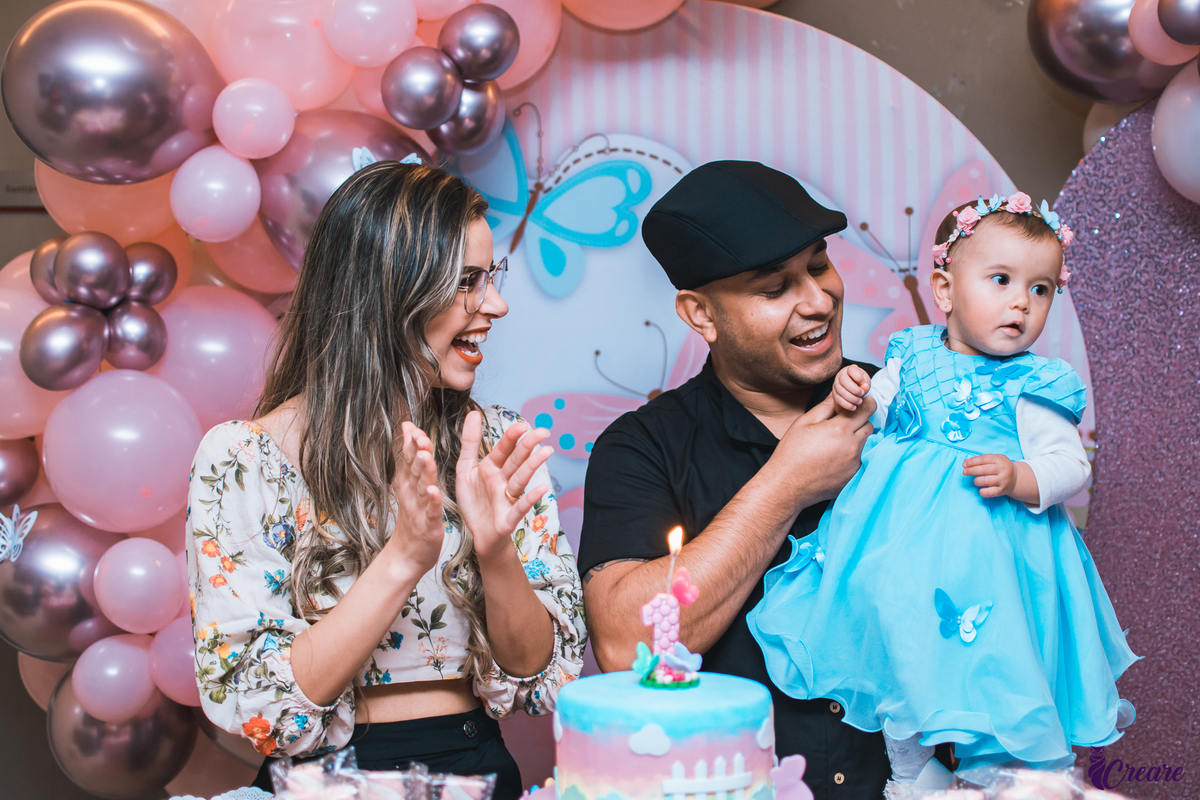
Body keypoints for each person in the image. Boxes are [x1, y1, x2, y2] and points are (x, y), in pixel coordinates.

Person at [186, 162, 587, 798]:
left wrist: (495, 549)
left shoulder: (493, 445)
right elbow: (262, 710)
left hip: (479, 766)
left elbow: (545, 679)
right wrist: (403, 557)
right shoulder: (247, 457)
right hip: (327, 781)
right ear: (388, 290)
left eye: (492, 279)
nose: (497, 305)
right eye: (467, 282)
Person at [749, 193, 1139, 798]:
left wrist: (1019, 476)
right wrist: (860, 392)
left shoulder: (1036, 383)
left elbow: (1068, 466)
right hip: (901, 545)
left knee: (995, 663)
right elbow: (885, 410)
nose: (1021, 303)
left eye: (1041, 290)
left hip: (997, 565)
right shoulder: (913, 353)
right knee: (896, 649)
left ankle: (994, 771)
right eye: (1002, 280)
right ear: (945, 288)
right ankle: (910, 773)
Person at [578, 161, 893, 800]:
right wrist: (786, 483)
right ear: (701, 313)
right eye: (774, 289)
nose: (817, 299)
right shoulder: (643, 448)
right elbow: (625, 644)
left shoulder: (906, 405)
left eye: (818, 264)